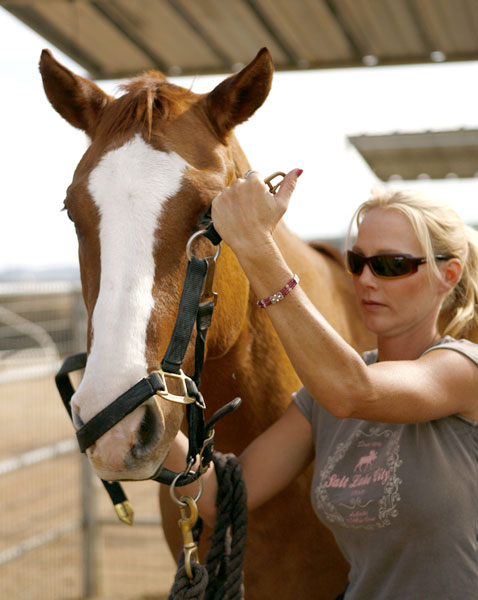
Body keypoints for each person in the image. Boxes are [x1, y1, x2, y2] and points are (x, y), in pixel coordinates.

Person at [165, 169, 478, 599]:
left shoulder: (464, 371)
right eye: (357, 262)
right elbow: (223, 497)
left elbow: (355, 392)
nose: (366, 279)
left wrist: (257, 246)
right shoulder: (321, 397)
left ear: (449, 275)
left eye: (390, 265)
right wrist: (144, 416)